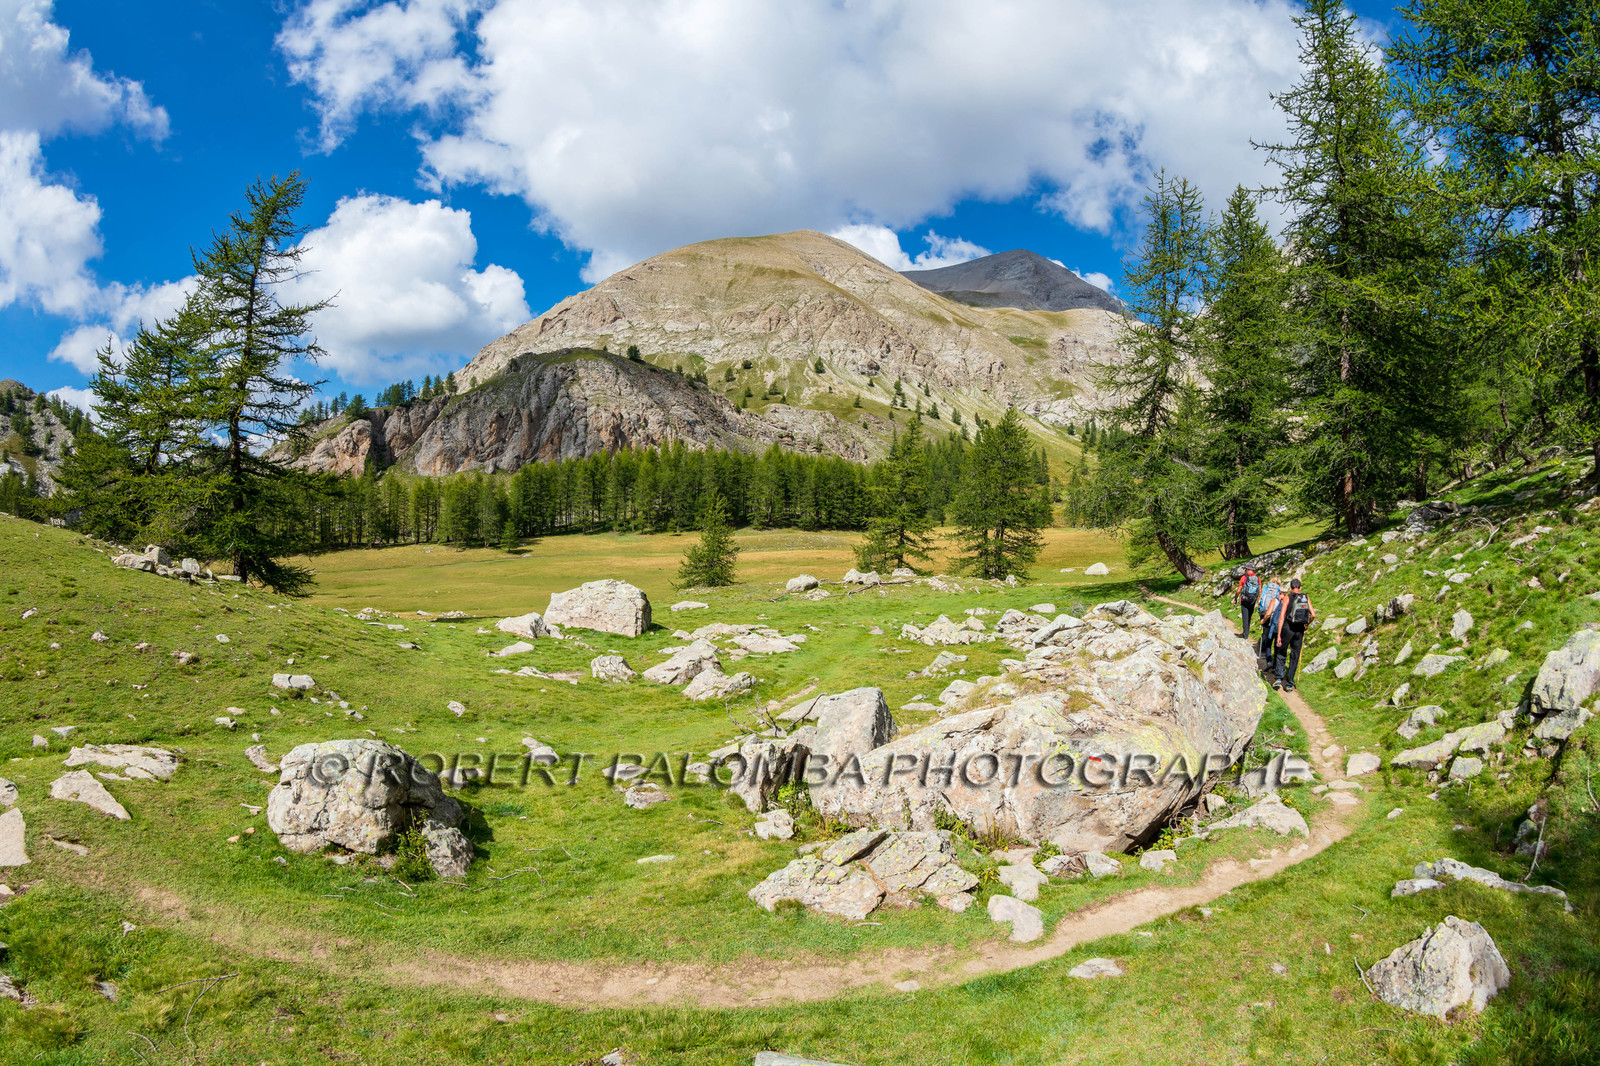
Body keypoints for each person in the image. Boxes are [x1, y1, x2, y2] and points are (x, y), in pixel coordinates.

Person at [1266, 577, 1315, 691]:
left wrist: (1278, 635)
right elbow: (1313, 614)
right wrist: (1306, 624)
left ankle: (1278, 678)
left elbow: (1282, 616)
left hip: (1288, 628)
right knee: (1295, 655)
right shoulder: (1305, 597)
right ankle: (1289, 683)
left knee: (1281, 651)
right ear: (1300, 588)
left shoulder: (1287, 598)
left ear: (1291, 588)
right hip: (1299, 630)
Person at [1256, 573, 1282, 664]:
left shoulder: (1267, 587)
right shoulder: (1279, 589)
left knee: (1265, 631)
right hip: (1274, 613)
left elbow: (1261, 599)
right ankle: (1271, 655)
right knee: (1272, 633)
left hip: (1264, 611)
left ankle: (1263, 651)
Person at [1233, 566, 1261, 640]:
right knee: (1249, 616)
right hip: (1253, 600)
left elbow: (1239, 590)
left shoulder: (1244, 578)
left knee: (1245, 616)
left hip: (1244, 599)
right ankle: (1246, 633)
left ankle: (1245, 635)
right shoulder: (1257, 578)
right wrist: (1259, 599)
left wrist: (1235, 598)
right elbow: (1259, 590)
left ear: (1247, 570)